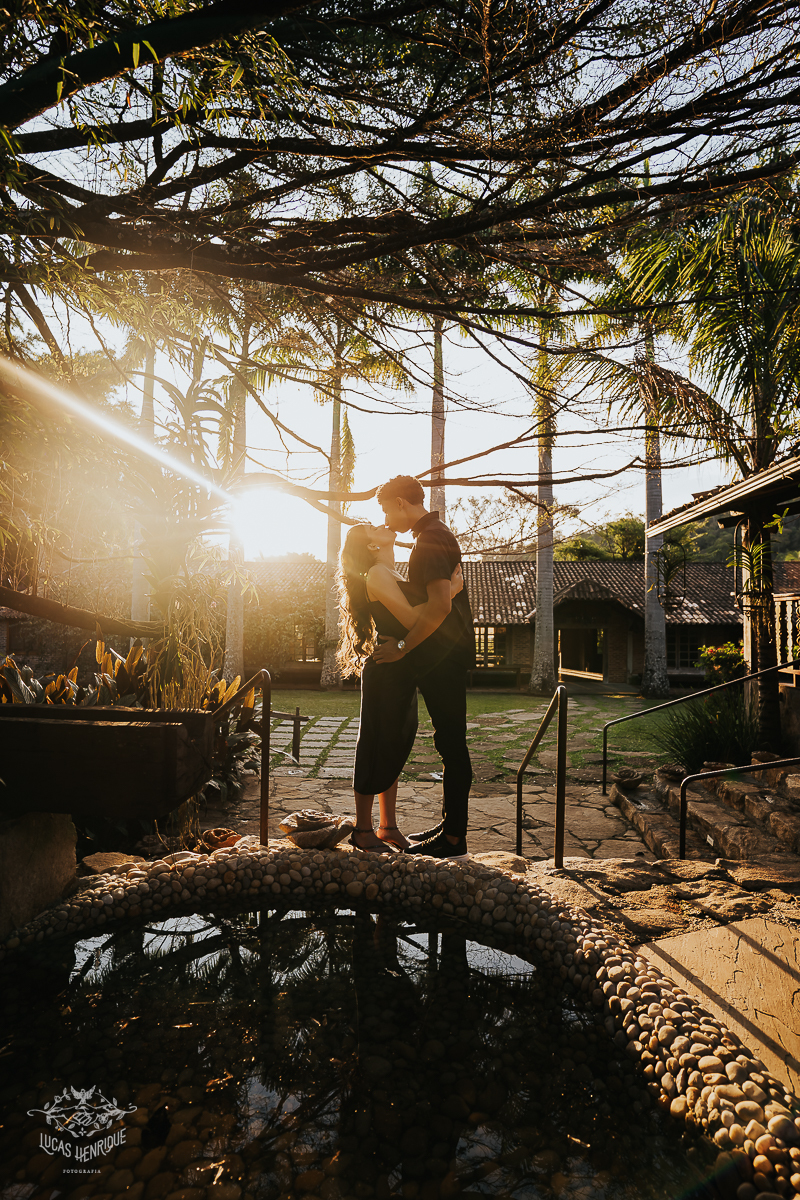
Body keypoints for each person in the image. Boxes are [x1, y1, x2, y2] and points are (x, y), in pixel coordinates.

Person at [337, 521, 463, 852]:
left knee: (393, 746)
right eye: (373, 527)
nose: (383, 524)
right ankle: (363, 830)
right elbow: (410, 621)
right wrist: (449, 592)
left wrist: (443, 595)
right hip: (386, 670)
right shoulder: (377, 574)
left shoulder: (390, 572)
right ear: (371, 546)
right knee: (375, 744)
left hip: (401, 668)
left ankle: (387, 827)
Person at [372, 475, 474, 860]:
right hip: (444, 656)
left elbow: (440, 605)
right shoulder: (433, 534)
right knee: (448, 742)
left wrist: (402, 647)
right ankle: (450, 826)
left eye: (386, 510)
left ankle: (454, 839)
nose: (385, 519)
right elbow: (442, 595)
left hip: (443, 657)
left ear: (401, 502)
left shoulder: (430, 538)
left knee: (451, 744)